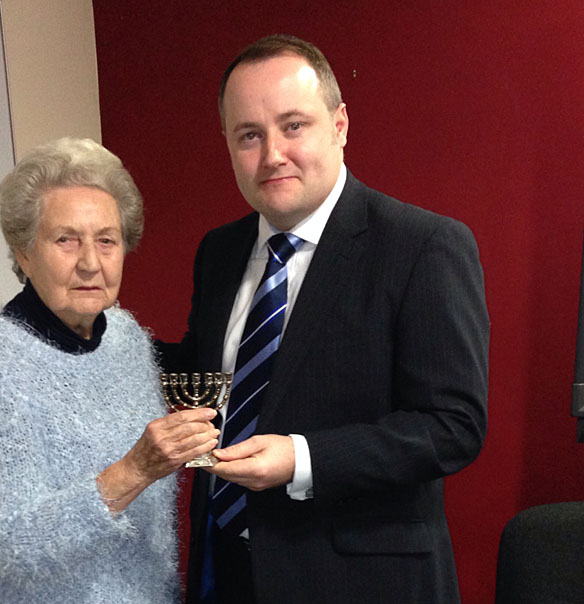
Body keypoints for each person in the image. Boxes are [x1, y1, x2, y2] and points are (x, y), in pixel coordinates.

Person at [159, 34, 489, 603]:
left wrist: (302, 458)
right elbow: (209, 373)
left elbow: (453, 425)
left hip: (361, 583)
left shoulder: (423, 246)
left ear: (339, 125)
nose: (272, 155)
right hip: (230, 568)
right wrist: (96, 329)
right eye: (249, 135)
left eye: (293, 126)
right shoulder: (218, 251)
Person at [0, 137, 219, 604]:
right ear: (24, 252)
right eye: (66, 239)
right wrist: (132, 471)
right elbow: (11, 546)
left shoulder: (125, 335)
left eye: (106, 240)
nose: (90, 262)